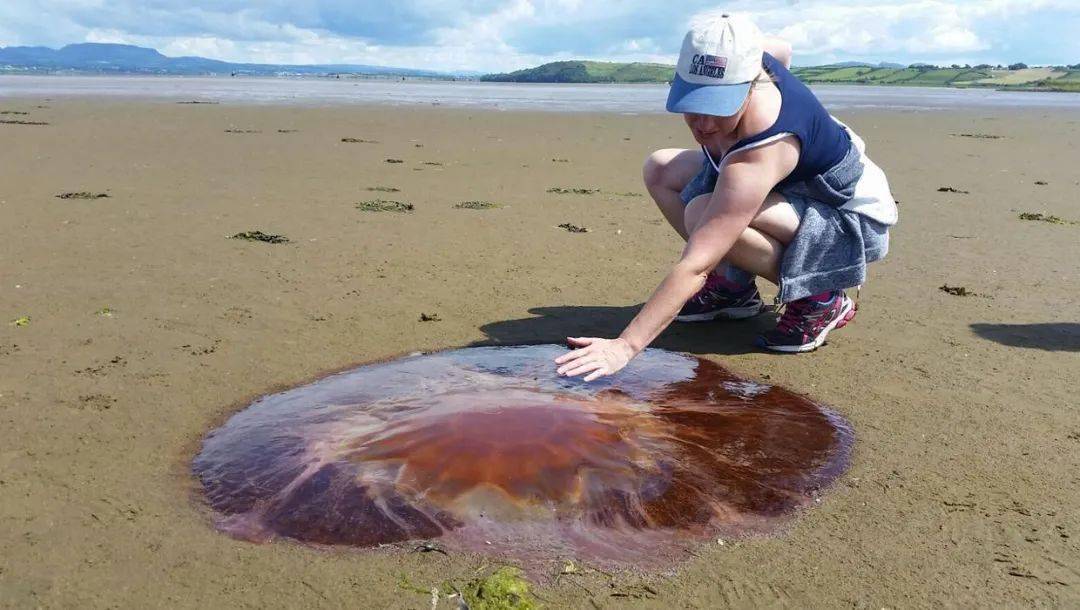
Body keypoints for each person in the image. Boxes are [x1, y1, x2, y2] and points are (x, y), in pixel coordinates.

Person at [555, 11, 897, 381]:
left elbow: (696, 264)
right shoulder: (744, 54)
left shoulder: (760, 150)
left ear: (750, 84)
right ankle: (734, 289)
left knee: (703, 211)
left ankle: (820, 298)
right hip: (783, 189)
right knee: (660, 169)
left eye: (719, 107)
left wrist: (625, 347)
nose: (703, 125)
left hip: (843, 214)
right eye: (694, 103)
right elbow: (782, 49)